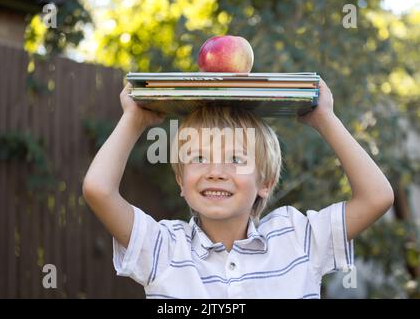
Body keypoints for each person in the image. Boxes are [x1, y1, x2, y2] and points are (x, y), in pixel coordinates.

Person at [82, 79, 394, 298]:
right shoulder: (164, 248)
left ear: (265, 182)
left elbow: (377, 197)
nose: (216, 172)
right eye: (199, 157)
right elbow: (98, 189)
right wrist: (133, 120)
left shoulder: (298, 240)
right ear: (180, 180)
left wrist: (326, 119)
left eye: (235, 159)